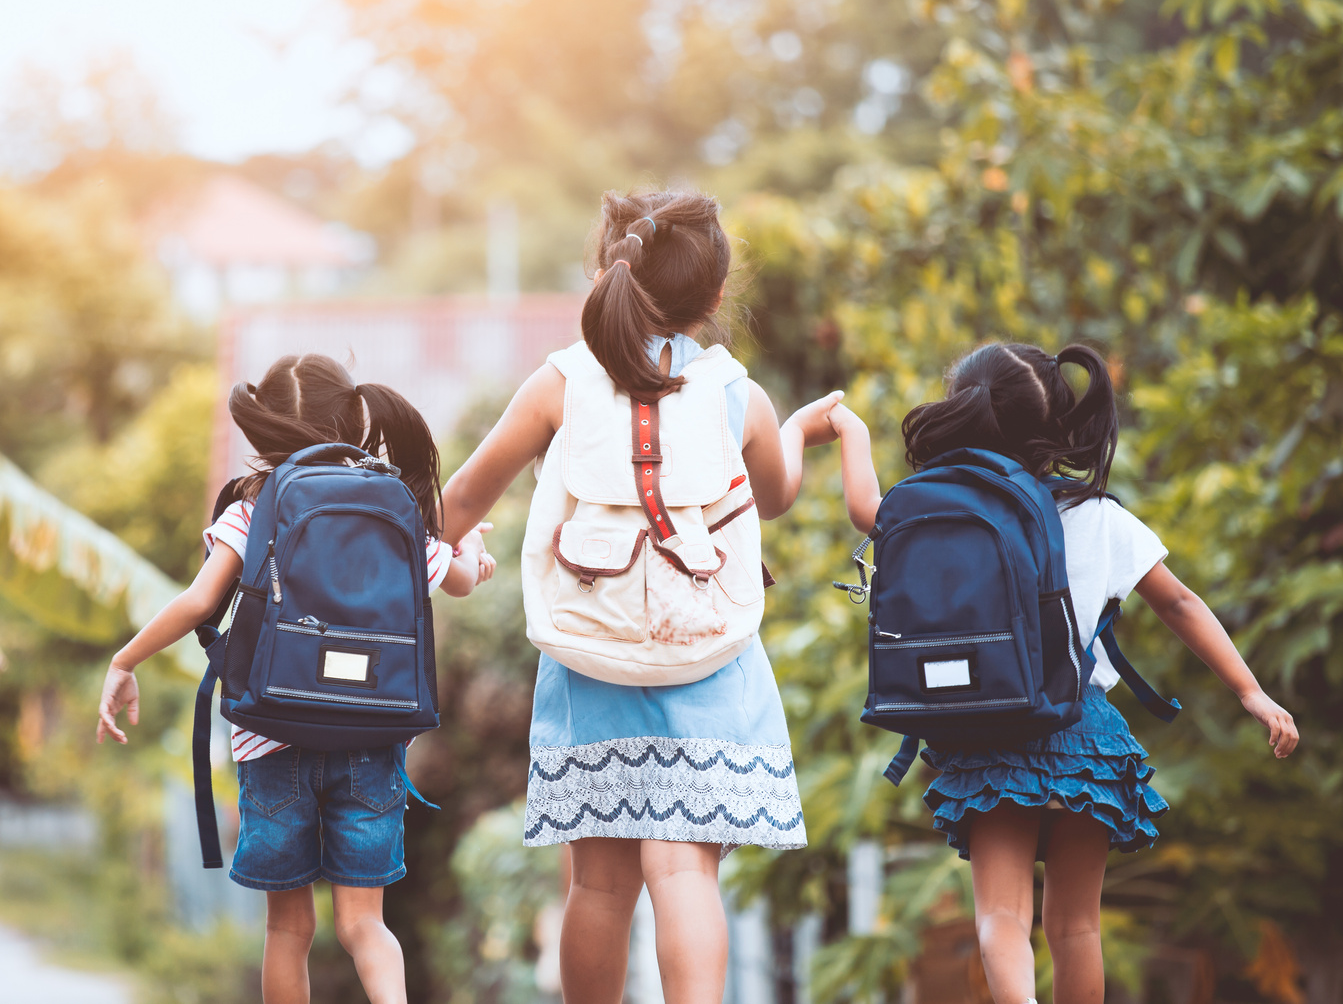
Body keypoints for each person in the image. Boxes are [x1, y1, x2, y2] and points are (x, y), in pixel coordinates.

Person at [437, 189, 845, 1004]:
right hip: (709, 655)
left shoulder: (557, 385)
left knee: (597, 885)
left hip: (594, 658)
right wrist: (796, 432)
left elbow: (455, 502)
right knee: (683, 869)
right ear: (717, 296)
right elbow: (773, 497)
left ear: (605, 270)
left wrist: (451, 548)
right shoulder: (740, 396)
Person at [827, 342, 1299, 1004]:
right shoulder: (1096, 516)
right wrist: (1250, 691)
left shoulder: (938, 508)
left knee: (1001, 918)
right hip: (1083, 736)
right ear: (1052, 426)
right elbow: (1180, 603)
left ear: (960, 412)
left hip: (988, 734)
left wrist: (847, 429)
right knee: (1076, 927)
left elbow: (864, 510)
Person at [95, 353, 495, 1004]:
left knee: (288, 928)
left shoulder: (255, 505)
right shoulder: (394, 504)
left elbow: (199, 603)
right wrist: (474, 554)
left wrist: (124, 661)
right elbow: (457, 581)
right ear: (350, 418)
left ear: (266, 432)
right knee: (365, 924)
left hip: (271, 739)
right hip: (371, 739)